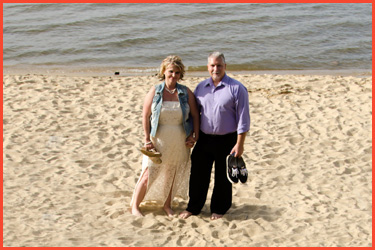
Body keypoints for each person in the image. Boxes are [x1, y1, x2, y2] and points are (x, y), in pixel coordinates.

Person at [179, 52, 250, 220]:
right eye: (212, 65)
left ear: (225, 66)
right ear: (208, 67)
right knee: (197, 174)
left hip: (227, 139)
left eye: (219, 65)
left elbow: (243, 119)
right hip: (204, 138)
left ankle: (219, 209)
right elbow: (194, 115)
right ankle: (194, 207)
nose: (215, 68)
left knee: (222, 177)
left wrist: (240, 144)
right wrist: (192, 135)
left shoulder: (237, 88)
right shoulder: (200, 88)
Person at [130, 55, 200, 217]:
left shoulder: (185, 92)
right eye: (170, 71)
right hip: (159, 139)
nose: (173, 75)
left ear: (180, 74)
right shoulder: (155, 91)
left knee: (171, 174)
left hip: (179, 140)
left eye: (177, 72)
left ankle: (167, 205)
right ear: (164, 71)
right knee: (150, 173)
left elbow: (196, 115)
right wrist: (147, 139)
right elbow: (145, 116)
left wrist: (194, 136)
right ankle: (135, 206)